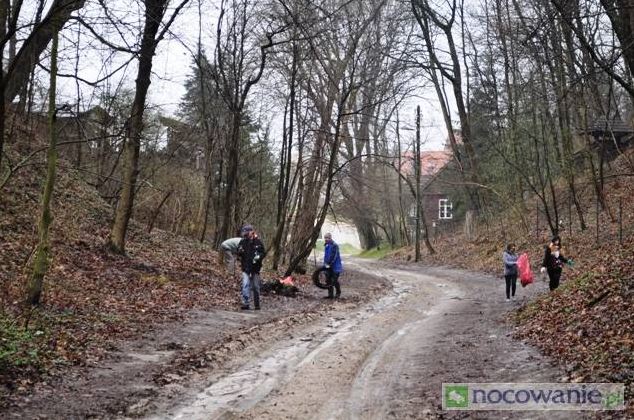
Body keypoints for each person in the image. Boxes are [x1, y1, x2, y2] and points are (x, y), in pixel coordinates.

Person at [236, 224, 267, 310]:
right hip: (246, 267)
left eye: (247, 232)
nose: (245, 234)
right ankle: (246, 303)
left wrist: (259, 257)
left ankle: (257, 304)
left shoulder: (258, 242)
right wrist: (239, 251)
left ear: (252, 232)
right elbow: (238, 252)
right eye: (244, 232)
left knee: (255, 287)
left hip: (255, 268)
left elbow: (263, 253)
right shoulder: (243, 242)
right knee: (245, 284)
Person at [323, 232, 343, 299]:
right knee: (328, 280)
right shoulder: (326, 245)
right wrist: (325, 264)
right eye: (325, 238)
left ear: (330, 238)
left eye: (327, 238)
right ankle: (330, 295)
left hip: (335, 266)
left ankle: (338, 293)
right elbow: (326, 256)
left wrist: (330, 264)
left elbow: (334, 256)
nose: (326, 239)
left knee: (334, 280)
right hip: (327, 266)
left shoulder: (334, 245)